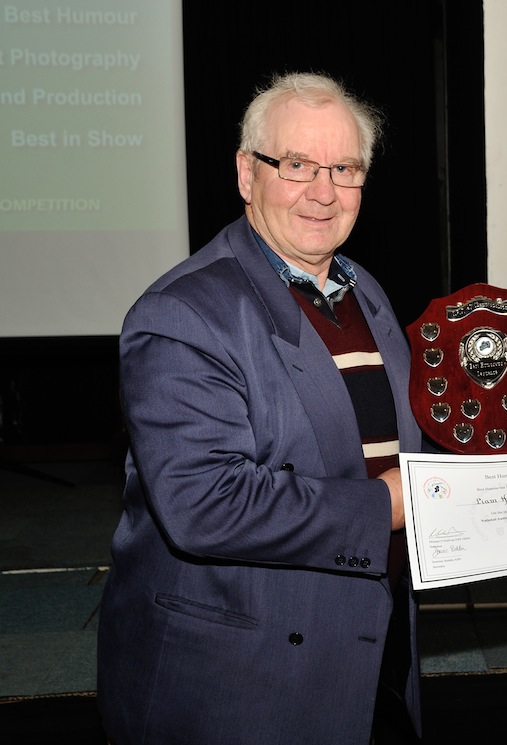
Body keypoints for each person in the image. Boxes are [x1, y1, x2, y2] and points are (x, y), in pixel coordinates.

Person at [97, 72, 424, 745]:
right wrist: (387, 505)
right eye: (297, 164)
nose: (324, 192)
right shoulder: (183, 313)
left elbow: (389, 440)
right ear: (248, 174)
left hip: (368, 646)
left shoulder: (362, 289)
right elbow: (205, 504)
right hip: (241, 680)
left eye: (345, 168)